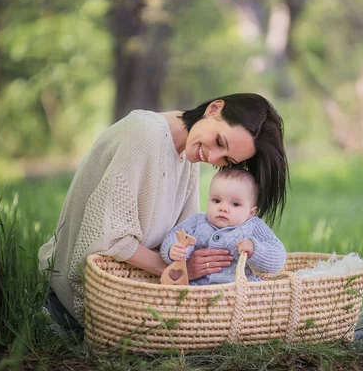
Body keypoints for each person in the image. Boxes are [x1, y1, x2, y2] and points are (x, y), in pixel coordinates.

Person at [38, 93, 289, 332]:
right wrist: (180, 270)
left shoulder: (189, 157)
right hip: (88, 298)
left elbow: (184, 236)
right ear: (214, 109)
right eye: (220, 142)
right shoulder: (144, 133)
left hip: (130, 288)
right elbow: (107, 238)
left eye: (227, 160)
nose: (213, 157)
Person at [161, 168, 286, 285]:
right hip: (198, 291)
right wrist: (173, 249)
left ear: (251, 212)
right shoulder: (197, 221)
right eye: (216, 201)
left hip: (241, 294)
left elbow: (278, 257)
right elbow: (176, 234)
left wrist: (255, 249)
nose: (223, 208)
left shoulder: (254, 226)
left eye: (235, 204)